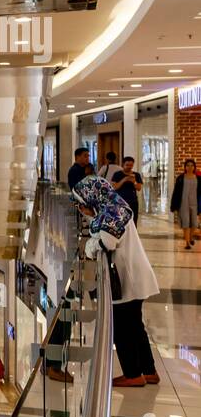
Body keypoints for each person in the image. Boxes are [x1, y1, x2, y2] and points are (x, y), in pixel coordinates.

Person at [72, 175, 161, 386]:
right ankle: (148, 371)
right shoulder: (113, 207)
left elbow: (106, 243)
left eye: (81, 203)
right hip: (134, 275)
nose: (81, 209)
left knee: (123, 329)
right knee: (135, 327)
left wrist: (89, 246)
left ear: (92, 198)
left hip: (127, 279)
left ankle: (133, 374)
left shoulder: (113, 212)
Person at [171, 158, 201, 249]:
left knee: (195, 224)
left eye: (192, 165)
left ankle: (190, 237)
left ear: (194, 167)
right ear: (185, 167)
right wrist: (174, 205)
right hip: (183, 203)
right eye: (188, 165)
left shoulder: (199, 178)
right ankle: (187, 243)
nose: (190, 167)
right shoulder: (181, 178)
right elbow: (176, 192)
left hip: (194, 203)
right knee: (186, 223)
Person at [110, 156, 143, 224]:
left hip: (133, 201)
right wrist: (124, 179)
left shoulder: (136, 175)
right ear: (123, 164)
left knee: (133, 221)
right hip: (120, 201)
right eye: (127, 165)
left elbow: (139, 188)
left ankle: (133, 234)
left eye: (131, 165)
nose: (129, 167)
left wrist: (134, 181)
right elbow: (114, 187)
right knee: (120, 221)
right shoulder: (117, 174)